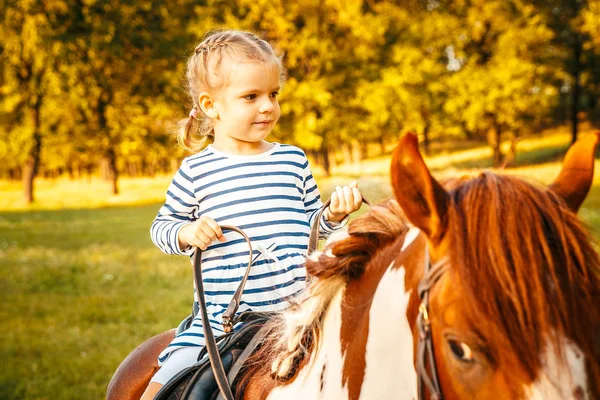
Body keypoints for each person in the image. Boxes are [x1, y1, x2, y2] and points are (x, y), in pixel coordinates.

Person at [142, 29, 363, 399]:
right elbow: (161, 227)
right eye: (251, 96)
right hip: (222, 322)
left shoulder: (292, 160)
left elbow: (312, 226)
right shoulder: (196, 171)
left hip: (301, 311)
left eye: (273, 94)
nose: (268, 106)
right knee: (163, 386)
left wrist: (333, 216)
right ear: (211, 105)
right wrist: (186, 232)